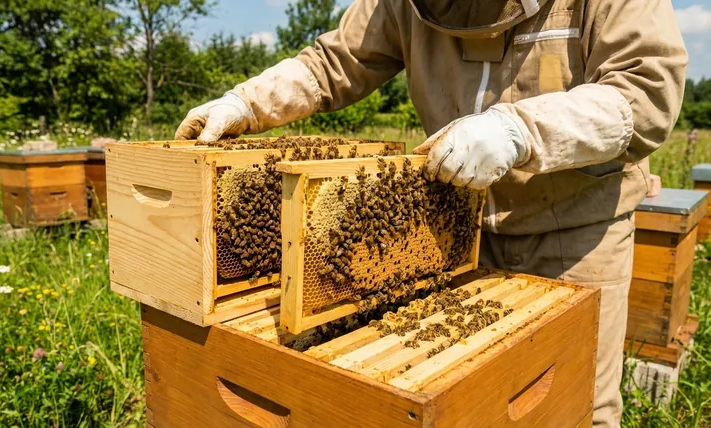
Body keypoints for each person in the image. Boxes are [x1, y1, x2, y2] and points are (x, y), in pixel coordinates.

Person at [175, 1, 687, 425]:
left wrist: (519, 130)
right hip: (450, 233)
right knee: (463, 403)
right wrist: (248, 102)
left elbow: (647, 92)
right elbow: (335, 61)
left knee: (573, 403)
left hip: (575, 233)